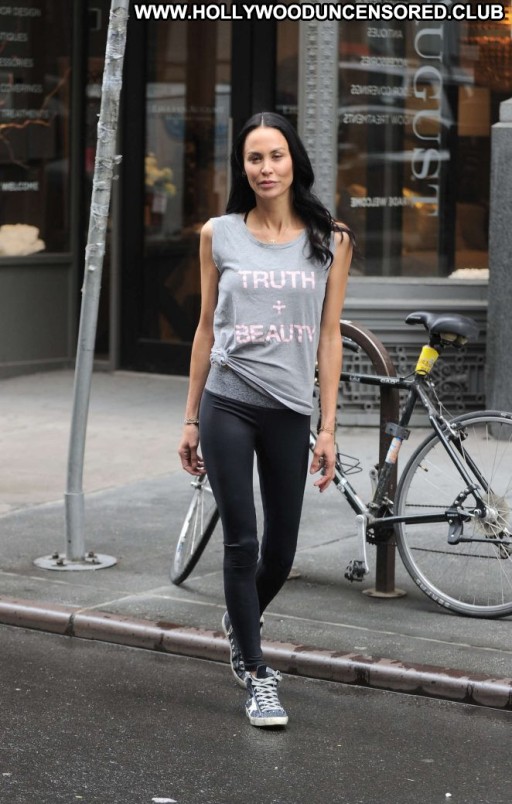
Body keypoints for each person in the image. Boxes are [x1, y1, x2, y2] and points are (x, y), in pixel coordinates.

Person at [178, 111, 354, 728]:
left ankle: (241, 615)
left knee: (280, 550)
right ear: (243, 168)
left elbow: (329, 336)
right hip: (227, 400)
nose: (266, 168)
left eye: (275, 155)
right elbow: (206, 329)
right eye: (254, 158)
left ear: (293, 161)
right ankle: (256, 673)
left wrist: (328, 428)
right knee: (242, 541)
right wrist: (191, 418)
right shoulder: (219, 234)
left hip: (289, 410)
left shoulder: (329, 239)